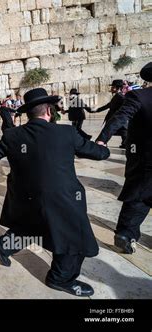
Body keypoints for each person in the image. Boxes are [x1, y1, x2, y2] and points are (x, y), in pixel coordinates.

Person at [0, 88, 110, 297]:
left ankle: (3, 245)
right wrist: (102, 146)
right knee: (73, 238)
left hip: (26, 197)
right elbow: (98, 153)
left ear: (30, 113)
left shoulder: (13, 135)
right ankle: (59, 278)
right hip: (62, 198)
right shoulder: (66, 133)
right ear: (48, 110)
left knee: (34, 224)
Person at [96, 62, 152, 254]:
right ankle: (126, 233)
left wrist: (103, 139)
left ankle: (125, 233)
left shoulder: (138, 96)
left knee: (138, 194)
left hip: (142, 156)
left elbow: (120, 117)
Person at [95, 79, 127, 148]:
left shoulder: (120, 96)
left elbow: (126, 105)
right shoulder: (117, 96)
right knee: (123, 131)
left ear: (118, 88)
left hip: (116, 118)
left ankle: (102, 143)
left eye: (113, 87)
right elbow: (108, 105)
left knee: (109, 130)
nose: (111, 88)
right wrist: (96, 110)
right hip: (115, 118)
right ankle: (125, 143)